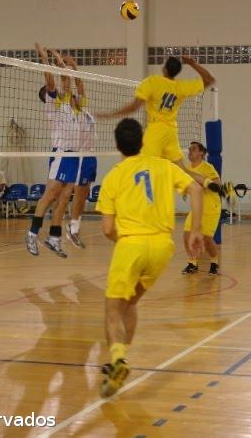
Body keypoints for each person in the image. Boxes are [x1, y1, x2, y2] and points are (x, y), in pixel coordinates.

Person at [96, 118, 204, 397]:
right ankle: (118, 362)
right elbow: (196, 188)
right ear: (143, 141)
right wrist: (195, 230)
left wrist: (125, 241)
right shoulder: (163, 166)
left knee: (112, 311)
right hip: (162, 248)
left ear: (117, 145)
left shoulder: (114, 176)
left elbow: (107, 229)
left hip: (131, 245)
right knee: (129, 303)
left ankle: (118, 359)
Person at [101, 56, 222, 195]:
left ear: (164, 68)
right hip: (171, 131)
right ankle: (207, 182)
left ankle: (141, 199)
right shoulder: (180, 87)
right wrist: (192, 63)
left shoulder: (152, 82)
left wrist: (110, 114)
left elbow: (134, 107)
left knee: (140, 165)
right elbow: (210, 79)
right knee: (182, 169)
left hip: (156, 130)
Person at [25, 44, 82, 258]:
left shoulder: (66, 102)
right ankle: (32, 233)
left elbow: (65, 80)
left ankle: (54, 238)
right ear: (47, 95)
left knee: (65, 196)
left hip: (73, 155)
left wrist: (60, 60)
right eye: (53, 90)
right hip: (61, 153)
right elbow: (51, 80)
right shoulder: (51, 104)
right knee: (50, 195)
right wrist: (44, 59)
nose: (57, 89)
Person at [64, 54, 96, 249]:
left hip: (92, 156)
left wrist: (75, 67)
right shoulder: (69, 112)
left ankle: (74, 226)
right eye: (73, 97)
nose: (76, 96)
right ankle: (73, 228)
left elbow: (80, 86)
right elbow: (67, 89)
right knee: (78, 191)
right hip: (80, 156)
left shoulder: (84, 110)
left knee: (84, 193)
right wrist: (64, 70)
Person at [181, 141, 222, 275]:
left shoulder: (207, 167)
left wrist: (202, 181)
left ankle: (214, 261)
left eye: (193, 149)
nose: (190, 151)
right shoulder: (186, 169)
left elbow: (217, 183)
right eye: (189, 149)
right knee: (187, 234)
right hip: (196, 209)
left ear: (201, 153)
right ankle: (192, 263)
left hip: (211, 207)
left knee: (206, 238)